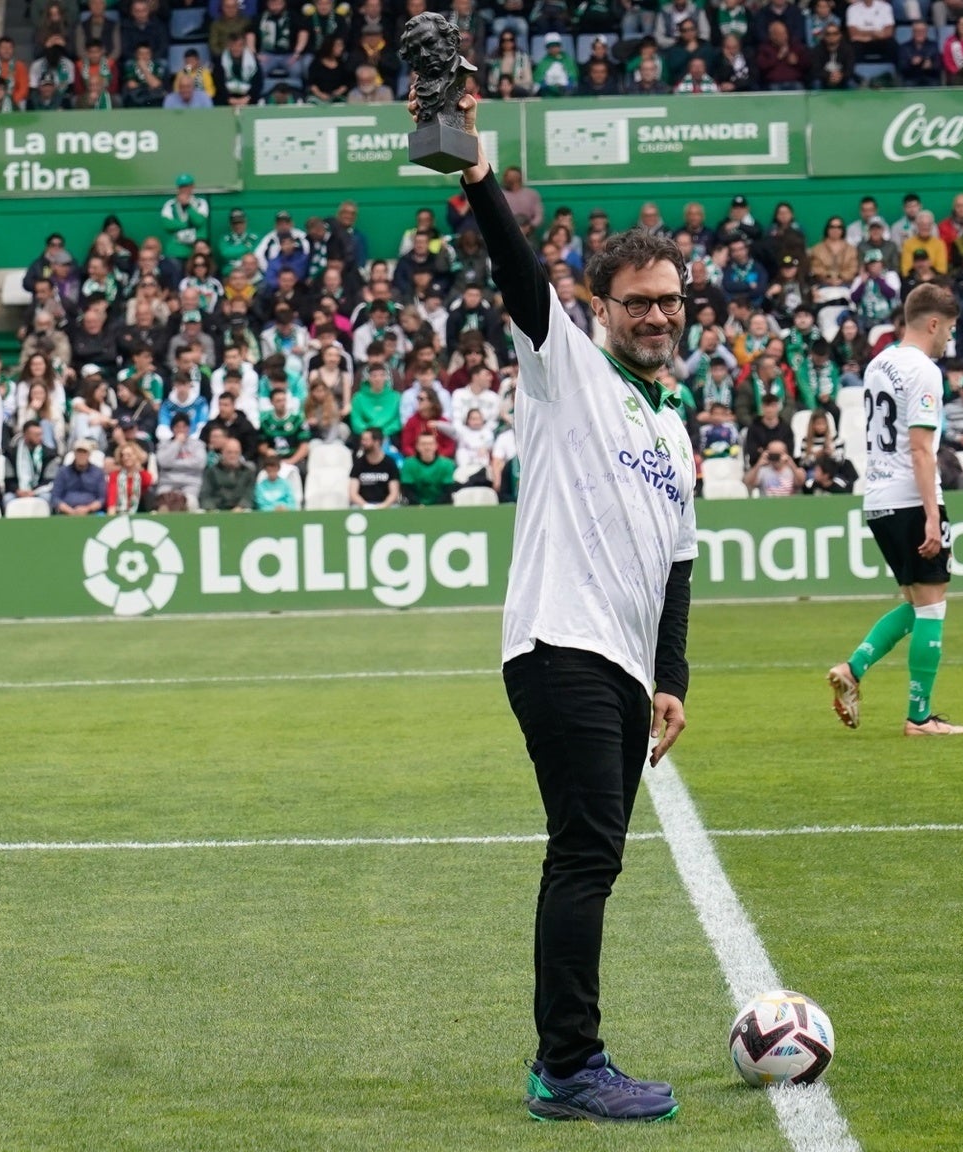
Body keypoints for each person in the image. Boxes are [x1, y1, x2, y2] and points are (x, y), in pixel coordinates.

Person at [433, 88, 693, 1124]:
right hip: (561, 643)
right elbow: (514, 270)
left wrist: (672, 681)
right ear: (599, 306)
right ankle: (568, 1065)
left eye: (672, 300)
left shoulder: (673, 429)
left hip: (623, 666)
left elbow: (678, 567)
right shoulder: (566, 366)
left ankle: (570, 1058)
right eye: (639, 301)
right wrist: (478, 175)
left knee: (595, 852)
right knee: (586, 851)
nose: (660, 315)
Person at [825, 284, 963, 736]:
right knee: (933, 609)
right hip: (911, 497)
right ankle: (919, 718)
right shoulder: (924, 371)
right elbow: (922, 450)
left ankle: (853, 669)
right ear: (932, 323)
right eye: (949, 330)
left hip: (879, 499)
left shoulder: (878, 363)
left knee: (914, 602)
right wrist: (931, 515)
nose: (949, 340)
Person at [400, 430, 457, 505]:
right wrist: (419, 506)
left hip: (441, 507)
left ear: (436, 446)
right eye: (423, 444)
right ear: (417, 446)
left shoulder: (447, 464)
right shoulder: (408, 464)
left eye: (430, 444)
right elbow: (407, 490)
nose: (427, 447)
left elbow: (447, 491)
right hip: (415, 507)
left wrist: (434, 508)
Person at [199, 437, 256, 511]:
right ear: (222, 452)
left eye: (236, 452)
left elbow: (249, 494)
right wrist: (211, 508)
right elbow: (205, 494)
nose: (233, 456)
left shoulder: (248, 472)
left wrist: (241, 506)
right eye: (229, 452)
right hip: (217, 511)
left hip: (240, 512)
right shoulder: (211, 472)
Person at [348, 427, 400, 508]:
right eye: (362, 440)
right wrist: (366, 505)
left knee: (395, 507)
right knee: (354, 507)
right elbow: (353, 493)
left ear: (377, 442)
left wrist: (383, 506)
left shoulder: (390, 463)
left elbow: (394, 493)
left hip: (385, 505)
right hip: (363, 505)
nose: (363, 443)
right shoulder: (358, 463)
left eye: (366, 440)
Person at [52, 440, 107, 515]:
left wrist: (88, 509)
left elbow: (102, 498)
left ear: (89, 454)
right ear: (74, 454)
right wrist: (70, 511)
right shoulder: (63, 472)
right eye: (79, 452)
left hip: (92, 512)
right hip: (66, 512)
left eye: (84, 452)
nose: (81, 455)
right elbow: (55, 497)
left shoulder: (98, 472)